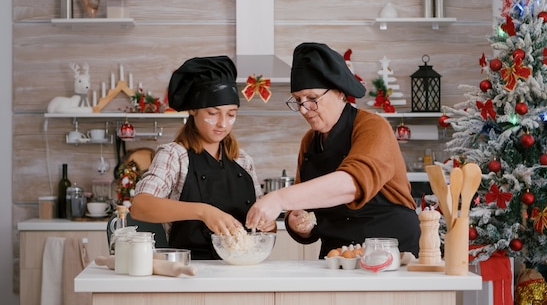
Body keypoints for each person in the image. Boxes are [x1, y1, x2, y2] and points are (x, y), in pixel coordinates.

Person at [245, 42, 420, 258]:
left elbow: (352, 184)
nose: (303, 109)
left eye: (311, 98)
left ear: (339, 92)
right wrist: (299, 223)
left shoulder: (372, 127)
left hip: (390, 251)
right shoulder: (309, 140)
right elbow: (305, 207)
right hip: (336, 255)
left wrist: (279, 198)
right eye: (298, 100)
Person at [130, 55, 275, 260]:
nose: (222, 123)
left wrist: (268, 225)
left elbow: (261, 227)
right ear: (193, 110)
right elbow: (140, 206)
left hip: (241, 269)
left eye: (231, 114)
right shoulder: (175, 156)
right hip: (189, 270)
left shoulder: (244, 161)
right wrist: (203, 212)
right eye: (213, 113)